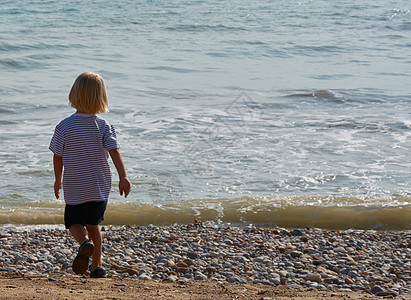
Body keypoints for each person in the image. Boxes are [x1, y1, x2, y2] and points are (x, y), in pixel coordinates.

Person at [49, 72, 131, 278]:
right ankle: (97, 267)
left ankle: (84, 243)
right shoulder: (104, 126)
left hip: (76, 186)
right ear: (101, 98)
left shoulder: (64, 126)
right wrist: (123, 177)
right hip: (99, 186)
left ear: (73, 95)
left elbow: (57, 156)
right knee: (94, 225)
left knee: (73, 222)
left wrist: (57, 180)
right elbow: (115, 152)